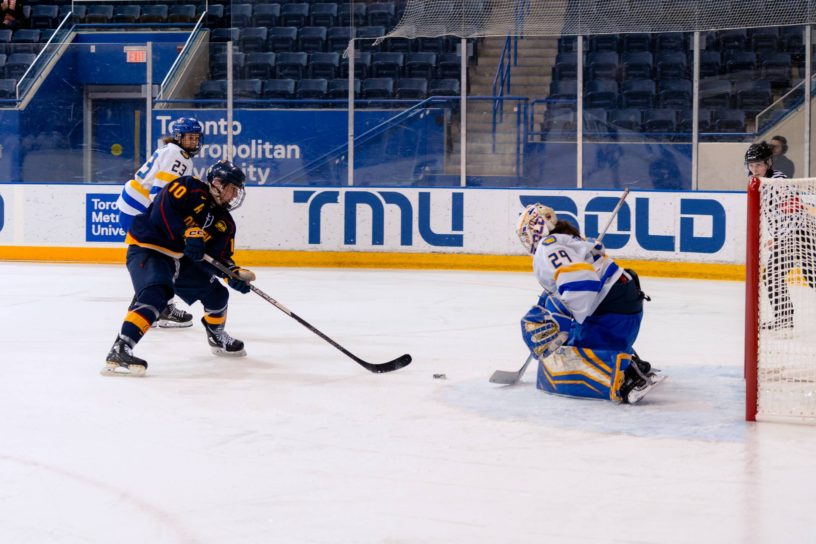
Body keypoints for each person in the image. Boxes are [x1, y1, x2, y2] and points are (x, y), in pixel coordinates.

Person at [103, 160, 255, 377]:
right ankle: (121, 348)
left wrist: (232, 274)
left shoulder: (225, 223)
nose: (234, 195)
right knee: (156, 294)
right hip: (149, 248)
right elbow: (162, 211)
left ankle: (217, 336)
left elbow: (218, 256)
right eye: (232, 189)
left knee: (218, 295)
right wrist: (187, 231)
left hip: (180, 260)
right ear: (218, 183)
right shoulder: (188, 187)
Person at [515, 203, 663, 404]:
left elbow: (582, 283)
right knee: (572, 335)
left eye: (526, 234)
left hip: (612, 311)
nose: (526, 241)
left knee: (571, 352)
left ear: (536, 228)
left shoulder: (547, 246)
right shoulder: (569, 240)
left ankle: (630, 377)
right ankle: (632, 362)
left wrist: (561, 318)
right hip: (624, 307)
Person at [116, 117, 203, 328]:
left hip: (134, 203)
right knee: (161, 255)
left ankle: (152, 305)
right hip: (139, 207)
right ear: (178, 137)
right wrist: (166, 223)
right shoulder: (177, 156)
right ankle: (154, 307)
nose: (193, 142)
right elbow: (162, 192)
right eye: (189, 138)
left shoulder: (174, 152)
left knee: (160, 257)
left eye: (196, 138)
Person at [746, 141, 816, 330]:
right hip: (793, 234)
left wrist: (784, 237)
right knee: (800, 277)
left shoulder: (778, 182)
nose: (755, 169)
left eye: (758, 164)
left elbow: (794, 210)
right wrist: (778, 237)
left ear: (768, 163)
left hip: (800, 234)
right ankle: (784, 319)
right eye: (751, 165)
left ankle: (784, 320)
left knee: (778, 276)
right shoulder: (760, 182)